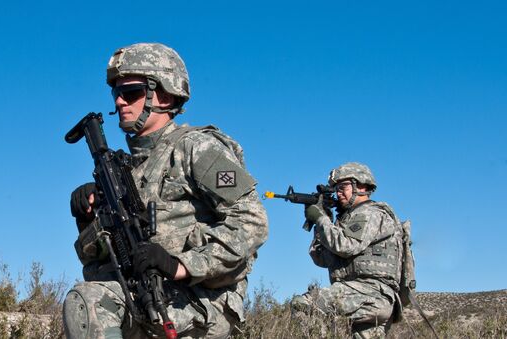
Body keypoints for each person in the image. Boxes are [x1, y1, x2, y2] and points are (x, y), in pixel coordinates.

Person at [63, 42, 268, 339]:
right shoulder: (129, 170)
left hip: (200, 300)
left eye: (131, 92)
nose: (120, 102)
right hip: (143, 296)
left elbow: (252, 222)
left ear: (165, 94)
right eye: (116, 93)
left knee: (90, 301)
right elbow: (100, 262)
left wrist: (180, 265)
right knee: (89, 300)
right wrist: (87, 218)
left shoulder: (197, 148)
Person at [292, 162, 403, 338]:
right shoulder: (348, 219)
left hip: (370, 292)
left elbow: (346, 245)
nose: (338, 193)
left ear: (361, 186)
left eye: (343, 187)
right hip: (364, 295)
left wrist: (321, 219)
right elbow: (321, 258)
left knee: (304, 305)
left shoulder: (370, 214)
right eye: (336, 188)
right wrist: (323, 222)